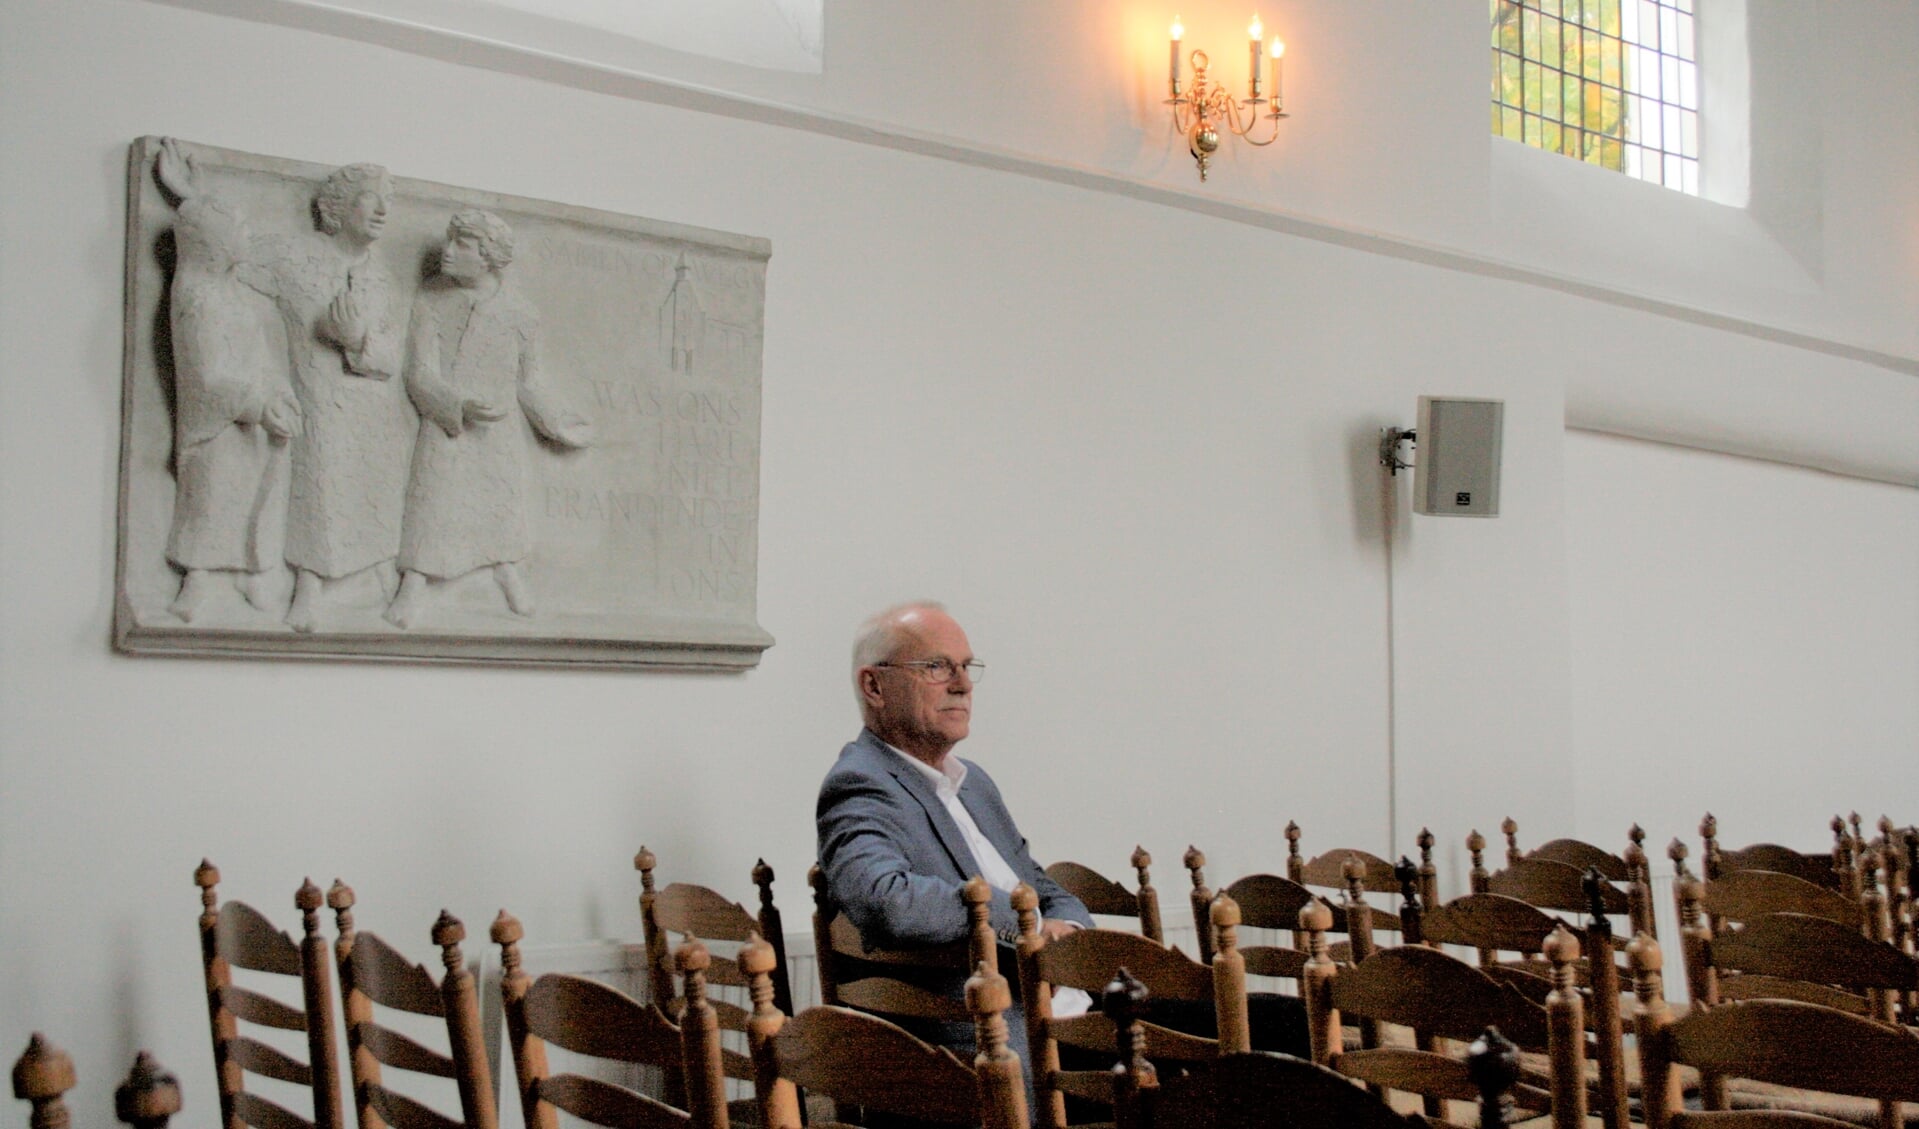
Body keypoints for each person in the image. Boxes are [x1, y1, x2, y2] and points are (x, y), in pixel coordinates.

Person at [383, 209, 590, 629]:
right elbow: (419, 373)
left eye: (462, 243)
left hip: (498, 430)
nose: (448, 250)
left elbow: (529, 383)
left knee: (499, 503)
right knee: (433, 499)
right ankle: (414, 580)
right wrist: (455, 404)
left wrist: (556, 422)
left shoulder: (521, 314)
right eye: (449, 240)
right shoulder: (430, 301)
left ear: (489, 256)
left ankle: (507, 570)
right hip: (448, 424)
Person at [256, 160, 414, 632]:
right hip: (315, 397)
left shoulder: (383, 278)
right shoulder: (293, 257)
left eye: (389, 199)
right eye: (371, 197)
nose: (383, 209)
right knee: (318, 483)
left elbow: (392, 355)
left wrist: (357, 340)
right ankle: (308, 585)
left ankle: (378, 572)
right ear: (338, 208)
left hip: (372, 407)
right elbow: (228, 258)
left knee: (374, 487)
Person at [153, 139, 302, 621]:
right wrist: (258, 405)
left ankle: (253, 574)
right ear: (215, 244)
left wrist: (278, 396)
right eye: (238, 231)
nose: (246, 236)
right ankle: (196, 579)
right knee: (212, 496)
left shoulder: (229, 289)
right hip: (218, 424)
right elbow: (208, 374)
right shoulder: (196, 295)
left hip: (253, 416)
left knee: (255, 495)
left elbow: (258, 353)